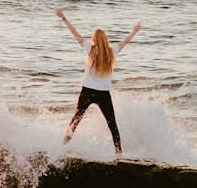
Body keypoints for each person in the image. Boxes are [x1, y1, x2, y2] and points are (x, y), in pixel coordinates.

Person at [55, 9, 142, 155]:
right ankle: (119, 154)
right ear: (105, 39)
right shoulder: (112, 51)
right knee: (112, 124)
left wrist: (63, 18)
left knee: (76, 119)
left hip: (87, 91)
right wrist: (134, 31)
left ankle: (62, 146)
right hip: (103, 94)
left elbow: (75, 34)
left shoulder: (89, 48)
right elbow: (126, 41)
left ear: (94, 38)